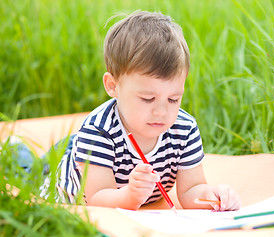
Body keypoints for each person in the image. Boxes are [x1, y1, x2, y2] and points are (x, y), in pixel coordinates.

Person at [40, 11, 241, 211]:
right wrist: (129, 195)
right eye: (147, 99)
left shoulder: (184, 130)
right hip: (68, 183)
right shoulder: (98, 132)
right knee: (30, 170)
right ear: (112, 85)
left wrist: (212, 196)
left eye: (173, 99)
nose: (162, 112)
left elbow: (191, 190)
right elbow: (98, 199)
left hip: (93, 159)